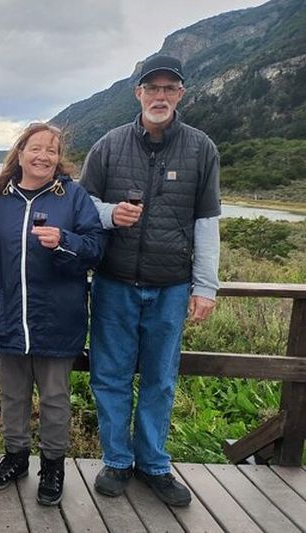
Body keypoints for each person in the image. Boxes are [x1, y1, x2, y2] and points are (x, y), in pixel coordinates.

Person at [80, 55, 221, 507]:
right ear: (137, 93)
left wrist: (206, 285)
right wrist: (110, 214)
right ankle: (117, 461)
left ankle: (155, 464)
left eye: (169, 89)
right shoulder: (108, 145)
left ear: (181, 94)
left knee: (161, 378)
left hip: (171, 285)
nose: (160, 96)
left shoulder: (202, 148)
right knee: (110, 376)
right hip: (114, 282)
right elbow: (83, 208)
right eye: (151, 88)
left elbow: (206, 221)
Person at [0, 123, 104, 505]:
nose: (43, 156)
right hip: (7, 313)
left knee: (54, 397)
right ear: (19, 153)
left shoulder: (73, 196)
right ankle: (16, 458)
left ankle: (53, 465)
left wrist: (63, 241)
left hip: (58, 317)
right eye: (36, 148)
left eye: (51, 150)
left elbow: (97, 247)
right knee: (12, 395)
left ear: (58, 158)